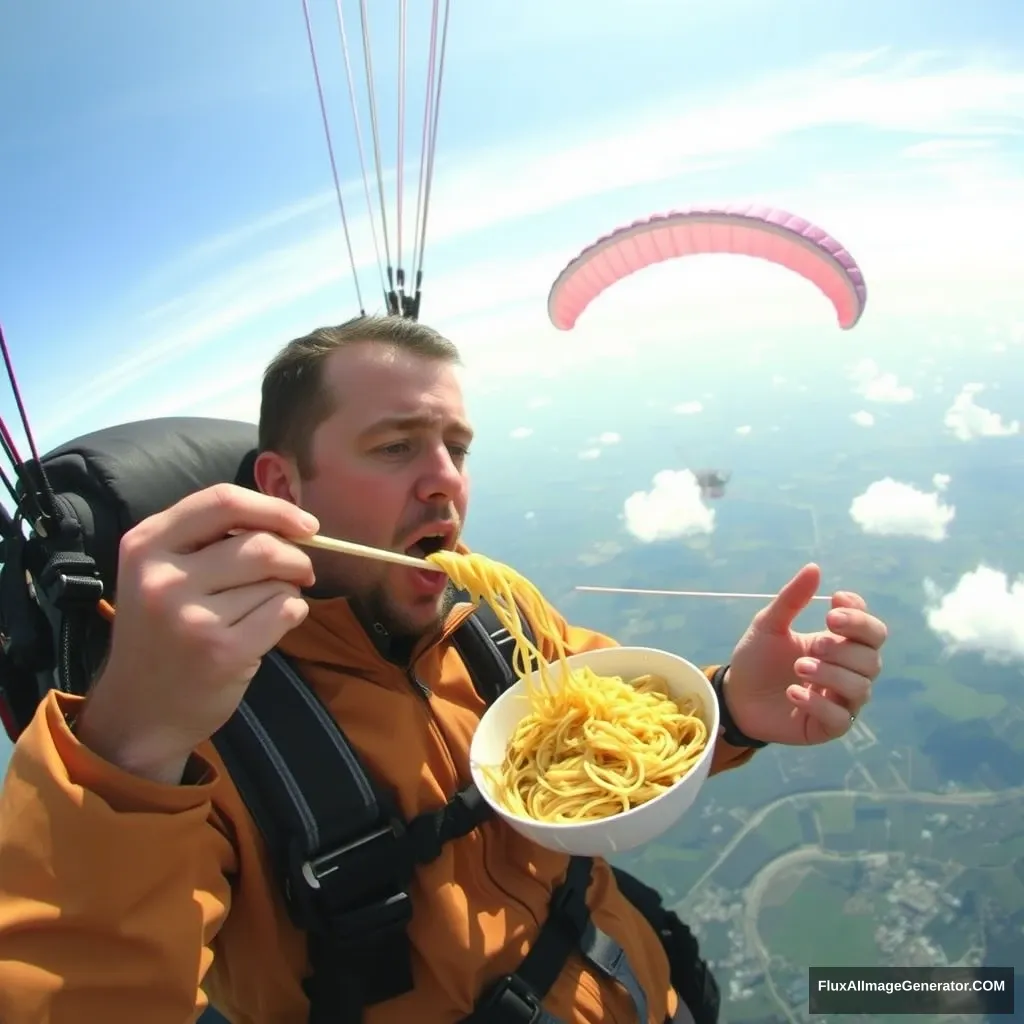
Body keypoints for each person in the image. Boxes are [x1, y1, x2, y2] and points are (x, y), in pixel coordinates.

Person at [0, 315, 887, 1024]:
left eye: (456, 448)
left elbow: (627, 710)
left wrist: (732, 707)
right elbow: (66, 989)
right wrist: (131, 745)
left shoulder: (496, 614)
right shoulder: (197, 728)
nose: (445, 484)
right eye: (395, 447)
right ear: (285, 486)